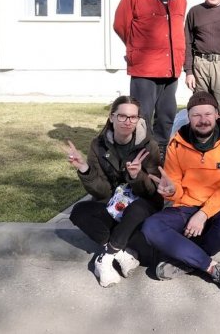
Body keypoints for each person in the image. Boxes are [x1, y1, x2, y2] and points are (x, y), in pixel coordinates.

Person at [141, 92, 220, 293]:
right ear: (188, 117)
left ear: (217, 115)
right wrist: (171, 191)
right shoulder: (177, 142)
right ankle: (211, 267)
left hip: (219, 207)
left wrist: (203, 214)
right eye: (196, 115)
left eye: (208, 114)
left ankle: (184, 262)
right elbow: (175, 187)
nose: (203, 120)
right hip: (186, 206)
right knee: (151, 227)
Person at [67, 96, 163, 288]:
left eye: (133, 117)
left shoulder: (149, 145)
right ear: (112, 117)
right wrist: (85, 169)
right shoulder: (98, 145)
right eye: (122, 116)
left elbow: (153, 192)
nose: (128, 122)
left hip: (141, 207)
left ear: (138, 119)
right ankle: (121, 253)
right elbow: (102, 192)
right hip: (114, 206)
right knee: (79, 211)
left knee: (138, 208)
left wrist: (137, 176)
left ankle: (105, 259)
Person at [113, 0, 186, 159]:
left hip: (170, 67)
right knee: (142, 115)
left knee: (166, 114)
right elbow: (120, 24)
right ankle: (140, 154)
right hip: (145, 67)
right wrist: (136, 48)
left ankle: (160, 153)